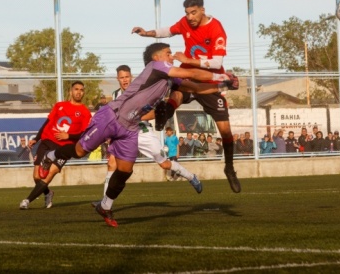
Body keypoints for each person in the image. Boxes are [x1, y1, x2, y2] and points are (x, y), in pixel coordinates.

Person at [40, 43, 238, 227]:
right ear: (157, 56)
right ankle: (51, 156)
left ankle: (105, 206)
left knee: (125, 170)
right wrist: (222, 76)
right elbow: (191, 72)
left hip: (131, 127)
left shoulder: (171, 78)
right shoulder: (155, 66)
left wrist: (223, 86)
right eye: (168, 53)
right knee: (80, 151)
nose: (172, 55)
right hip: (112, 117)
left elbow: (196, 87)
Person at [132, 0, 241, 193]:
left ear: (202, 10)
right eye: (187, 13)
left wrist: (189, 60)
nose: (189, 17)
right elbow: (169, 31)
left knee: (225, 131)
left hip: (209, 81)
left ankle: (229, 168)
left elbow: (217, 62)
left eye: (193, 12)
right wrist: (147, 33)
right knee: (177, 93)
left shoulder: (216, 28)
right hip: (187, 76)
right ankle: (165, 112)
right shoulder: (185, 23)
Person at [101, 64, 203, 194]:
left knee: (164, 164)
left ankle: (191, 177)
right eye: (122, 77)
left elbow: (155, 113)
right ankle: (104, 203)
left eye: (127, 76)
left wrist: (133, 116)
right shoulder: (116, 95)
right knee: (111, 164)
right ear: (117, 79)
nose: (125, 80)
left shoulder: (142, 91)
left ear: (131, 77)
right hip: (123, 134)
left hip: (142, 132)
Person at [19, 81, 92, 210]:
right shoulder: (59, 106)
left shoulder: (85, 112)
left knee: (50, 173)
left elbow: (84, 134)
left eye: (81, 90)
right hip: (47, 142)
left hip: (64, 148)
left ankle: (27, 200)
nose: (79, 92)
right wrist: (36, 138)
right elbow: (47, 122)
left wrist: (68, 136)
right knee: (37, 176)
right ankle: (48, 193)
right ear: (70, 91)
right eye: (76, 89)